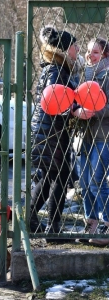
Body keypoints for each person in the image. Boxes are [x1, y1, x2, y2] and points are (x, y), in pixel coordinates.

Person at [30, 26, 80, 238]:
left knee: (52, 175)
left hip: (48, 130)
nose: (77, 50)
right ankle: (53, 226)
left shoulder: (54, 67)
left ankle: (32, 218)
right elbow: (54, 98)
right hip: (52, 131)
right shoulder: (57, 71)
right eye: (74, 46)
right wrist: (73, 109)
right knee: (59, 176)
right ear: (65, 49)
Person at [72, 37, 109, 245]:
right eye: (87, 51)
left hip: (104, 136)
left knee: (97, 181)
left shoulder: (108, 75)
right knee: (85, 183)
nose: (89, 55)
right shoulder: (82, 74)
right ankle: (91, 223)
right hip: (84, 136)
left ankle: (107, 225)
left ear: (104, 54)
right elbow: (72, 100)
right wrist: (77, 110)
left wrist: (95, 111)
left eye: (95, 52)